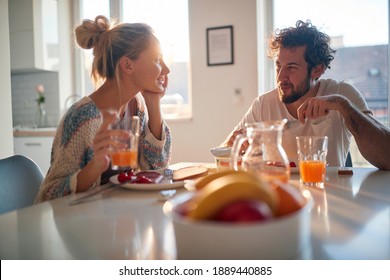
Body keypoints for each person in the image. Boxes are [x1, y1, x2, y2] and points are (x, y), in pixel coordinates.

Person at [35, 15, 172, 202]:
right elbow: (48, 195)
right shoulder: (83, 117)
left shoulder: (136, 106)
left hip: (117, 219)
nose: (166, 69)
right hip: (81, 226)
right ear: (127, 65)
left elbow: (157, 169)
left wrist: (153, 102)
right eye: (157, 59)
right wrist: (95, 167)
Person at [223, 19, 390, 170]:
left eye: (292, 67)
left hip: (329, 194)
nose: (281, 76)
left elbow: (387, 157)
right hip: (281, 193)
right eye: (278, 66)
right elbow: (223, 154)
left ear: (317, 70)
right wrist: (233, 145)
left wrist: (343, 107)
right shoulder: (263, 104)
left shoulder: (341, 94)